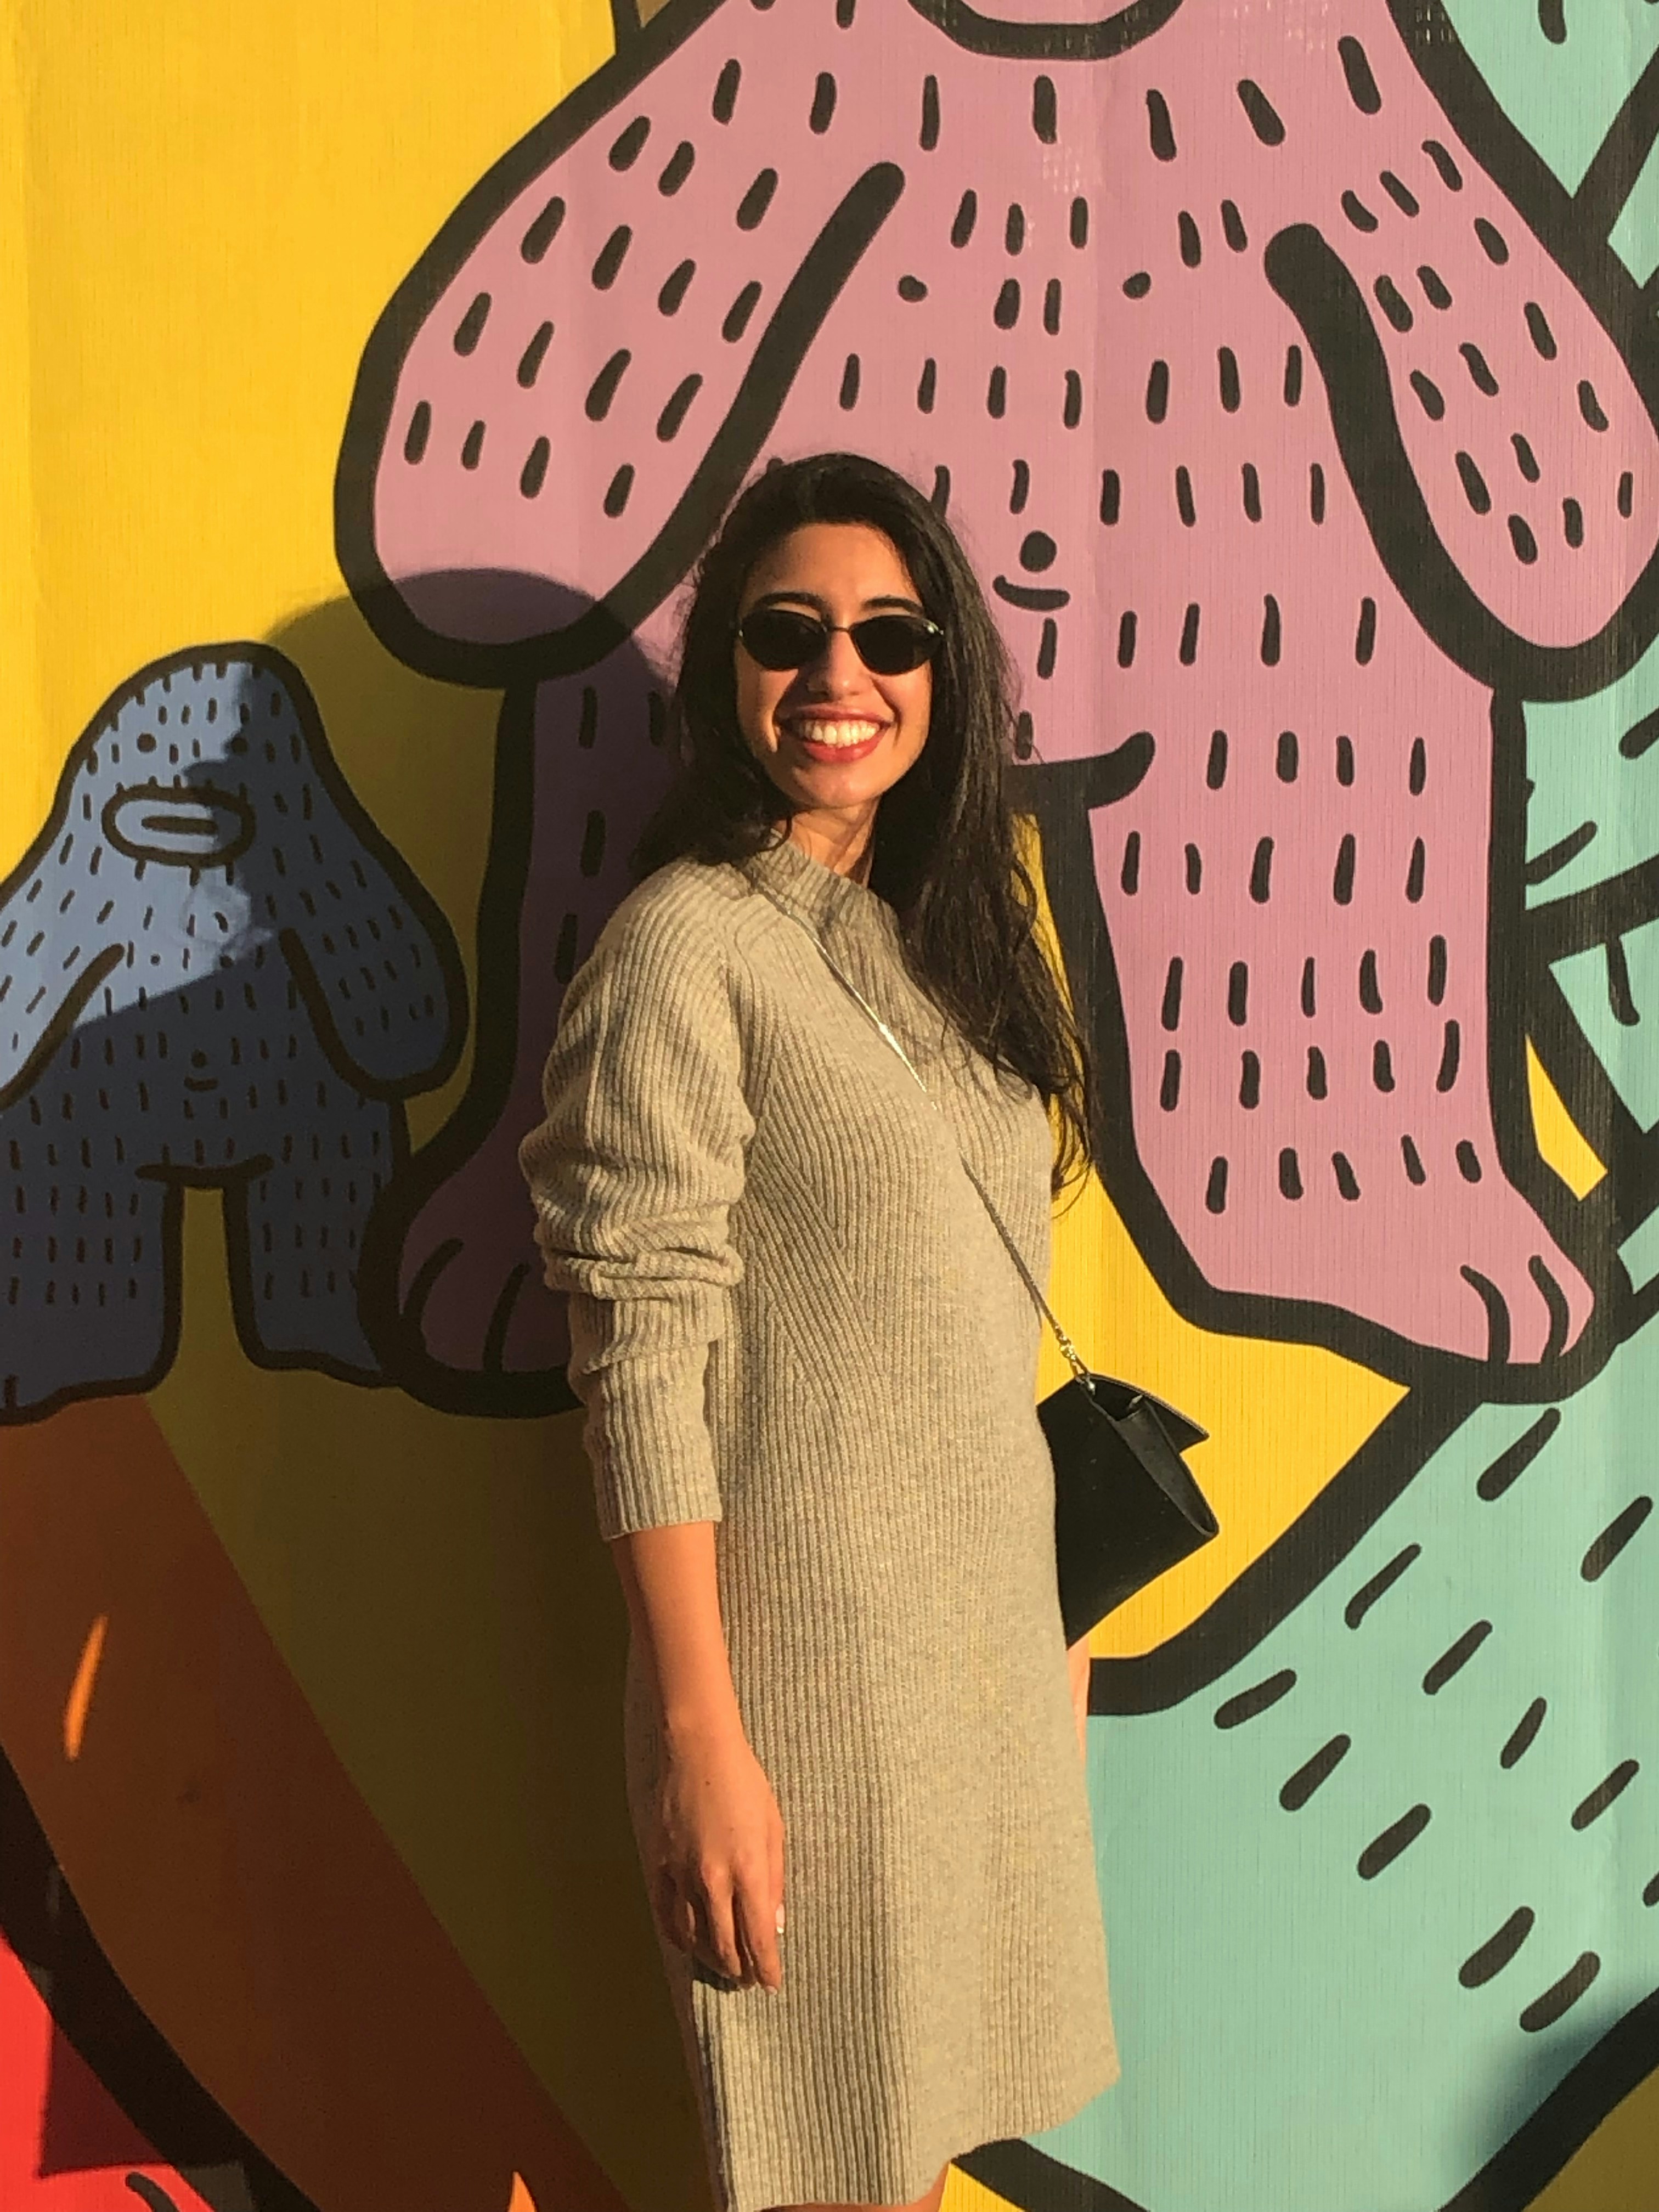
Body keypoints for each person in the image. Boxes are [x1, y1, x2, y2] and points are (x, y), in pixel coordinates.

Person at [518, 452, 1117, 2212]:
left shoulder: (939, 956)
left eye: (888, 633)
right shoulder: (684, 950)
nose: (840, 675)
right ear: (728, 676)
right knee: (822, 2164)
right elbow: (638, 1354)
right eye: (788, 635)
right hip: (807, 1690)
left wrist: (1048, 1657)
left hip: (986, 1683)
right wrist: (703, 1735)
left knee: (908, 2165)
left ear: (945, 674)